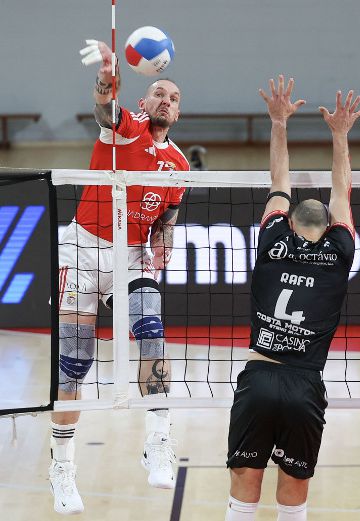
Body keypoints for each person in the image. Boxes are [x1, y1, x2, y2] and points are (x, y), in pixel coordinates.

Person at [49, 39, 189, 514]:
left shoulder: (179, 165)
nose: (166, 100)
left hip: (131, 254)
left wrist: (163, 241)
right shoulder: (125, 131)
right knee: (74, 362)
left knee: (152, 331)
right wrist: (108, 76)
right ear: (144, 102)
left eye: (173, 97)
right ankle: (63, 467)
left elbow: (167, 216)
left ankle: (158, 441)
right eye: (159, 93)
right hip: (83, 249)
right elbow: (104, 108)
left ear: (178, 112)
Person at [224, 75, 360, 521]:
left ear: (288, 221)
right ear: (330, 228)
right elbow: (342, 189)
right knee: (294, 494)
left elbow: (278, 179)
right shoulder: (340, 253)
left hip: (260, 377)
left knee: (244, 488)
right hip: (305, 384)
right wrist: (340, 134)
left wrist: (279, 122)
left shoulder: (272, 240)